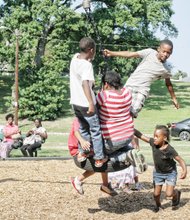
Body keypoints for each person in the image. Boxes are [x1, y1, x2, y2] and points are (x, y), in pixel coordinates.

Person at [103, 39, 179, 118]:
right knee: (120, 109)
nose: (166, 54)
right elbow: (130, 54)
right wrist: (112, 53)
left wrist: (174, 98)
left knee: (131, 113)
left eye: (168, 53)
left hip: (142, 91)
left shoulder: (166, 69)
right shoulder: (149, 53)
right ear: (158, 49)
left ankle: (126, 125)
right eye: (164, 51)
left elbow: (168, 83)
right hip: (130, 85)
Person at [96, 70, 144, 173]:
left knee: (99, 154)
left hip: (112, 138)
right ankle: (131, 151)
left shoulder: (103, 96)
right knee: (117, 148)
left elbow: (94, 108)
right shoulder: (127, 93)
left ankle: (126, 156)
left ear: (106, 84)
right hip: (127, 136)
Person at [69, 36, 106, 168]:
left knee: (84, 128)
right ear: (91, 50)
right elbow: (85, 83)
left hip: (75, 103)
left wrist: (90, 57)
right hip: (85, 103)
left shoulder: (75, 58)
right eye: (94, 50)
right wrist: (91, 102)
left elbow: (83, 65)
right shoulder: (87, 65)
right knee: (95, 130)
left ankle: (82, 152)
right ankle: (99, 158)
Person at [135, 125, 187, 212]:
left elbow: (180, 160)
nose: (154, 138)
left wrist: (184, 170)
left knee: (169, 194)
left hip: (170, 173)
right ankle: (158, 205)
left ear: (164, 138)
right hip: (158, 173)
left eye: (157, 136)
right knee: (156, 194)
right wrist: (129, 128)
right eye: (154, 136)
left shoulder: (170, 150)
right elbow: (141, 136)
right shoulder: (153, 143)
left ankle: (176, 194)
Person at [68, 117, 116, 196]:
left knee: (101, 158)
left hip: (88, 147)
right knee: (98, 162)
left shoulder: (92, 118)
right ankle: (78, 180)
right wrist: (82, 141)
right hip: (77, 148)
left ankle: (105, 184)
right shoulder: (79, 117)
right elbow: (76, 131)